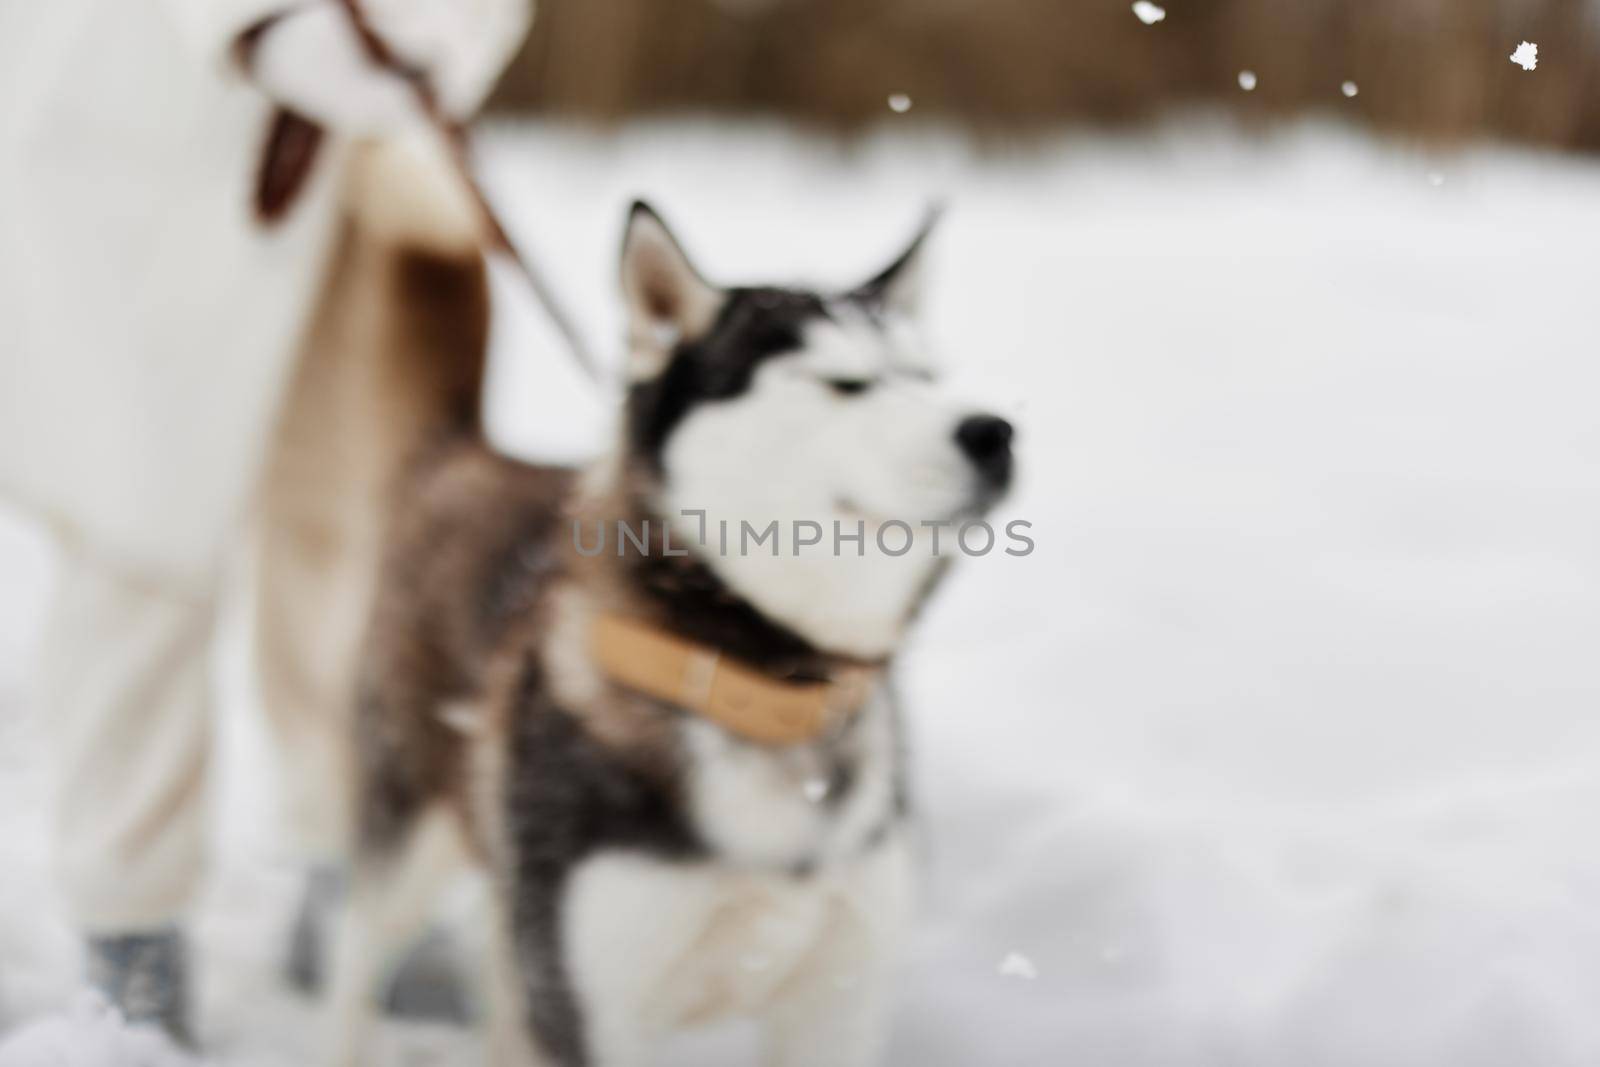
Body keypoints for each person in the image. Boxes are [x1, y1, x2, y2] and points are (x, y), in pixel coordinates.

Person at [0, 0, 533, 1045]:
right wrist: (252, 18)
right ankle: (129, 924)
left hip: (374, 139)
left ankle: (353, 869)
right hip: (147, 118)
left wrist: (457, 28)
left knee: (365, 518)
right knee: (141, 537)